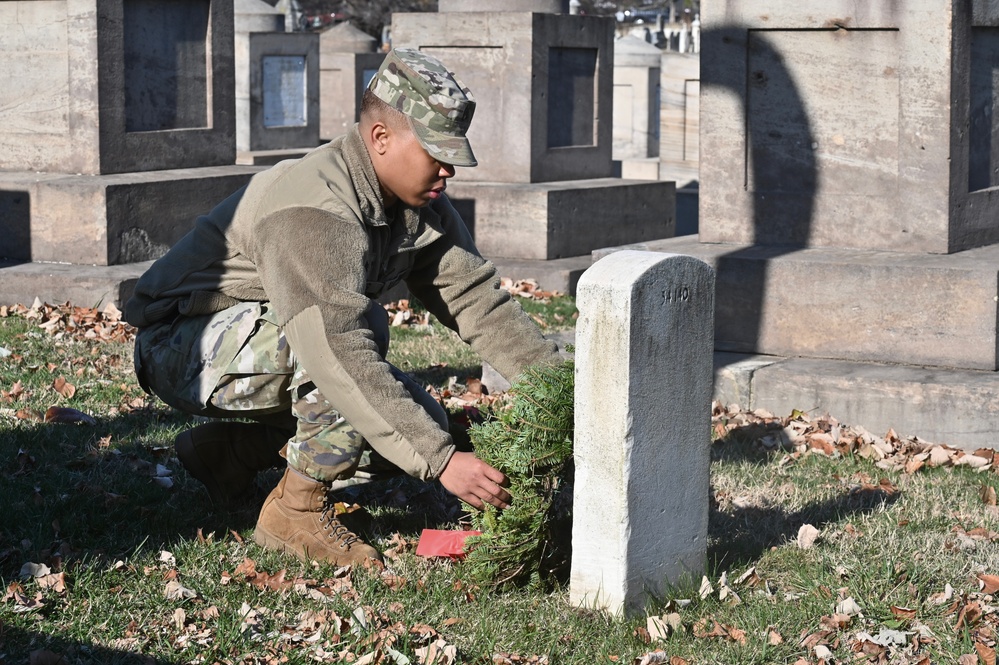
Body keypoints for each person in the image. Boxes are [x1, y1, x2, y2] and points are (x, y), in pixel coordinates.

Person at [124, 49, 560, 567]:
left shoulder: (420, 204)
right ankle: (295, 512)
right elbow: (338, 352)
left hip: (259, 344)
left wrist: (561, 391)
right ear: (381, 138)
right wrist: (443, 462)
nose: (448, 170)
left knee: (420, 422)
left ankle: (227, 456)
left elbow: (477, 302)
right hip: (181, 347)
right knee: (361, 364)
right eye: (435, 153)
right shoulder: (315, 208)